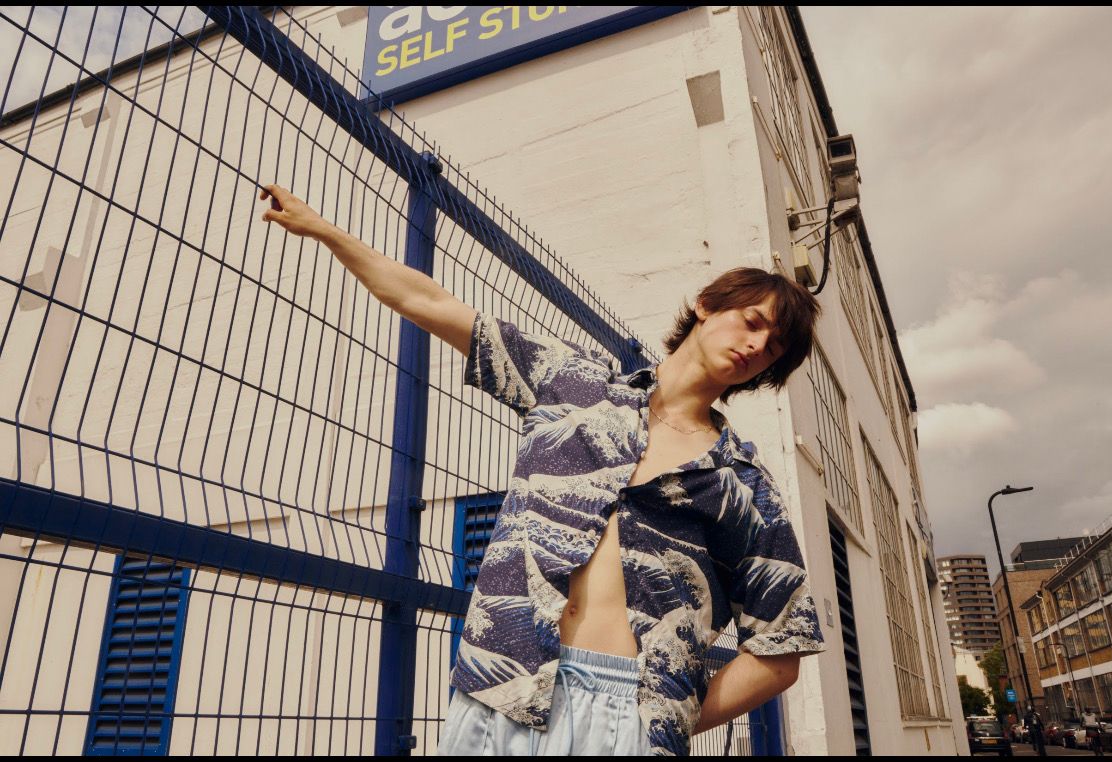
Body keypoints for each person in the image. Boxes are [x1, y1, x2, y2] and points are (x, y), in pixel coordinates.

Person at [259, 184, 827, 756]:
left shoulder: (742, 482)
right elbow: (427, 301)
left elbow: (781, 653)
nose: (757, 345)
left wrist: (668, 719)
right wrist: (325, 230)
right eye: (752, 321)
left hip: (626, 708)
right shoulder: (571, 384)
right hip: (503, 683)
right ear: (706, 306)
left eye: (773, 348)